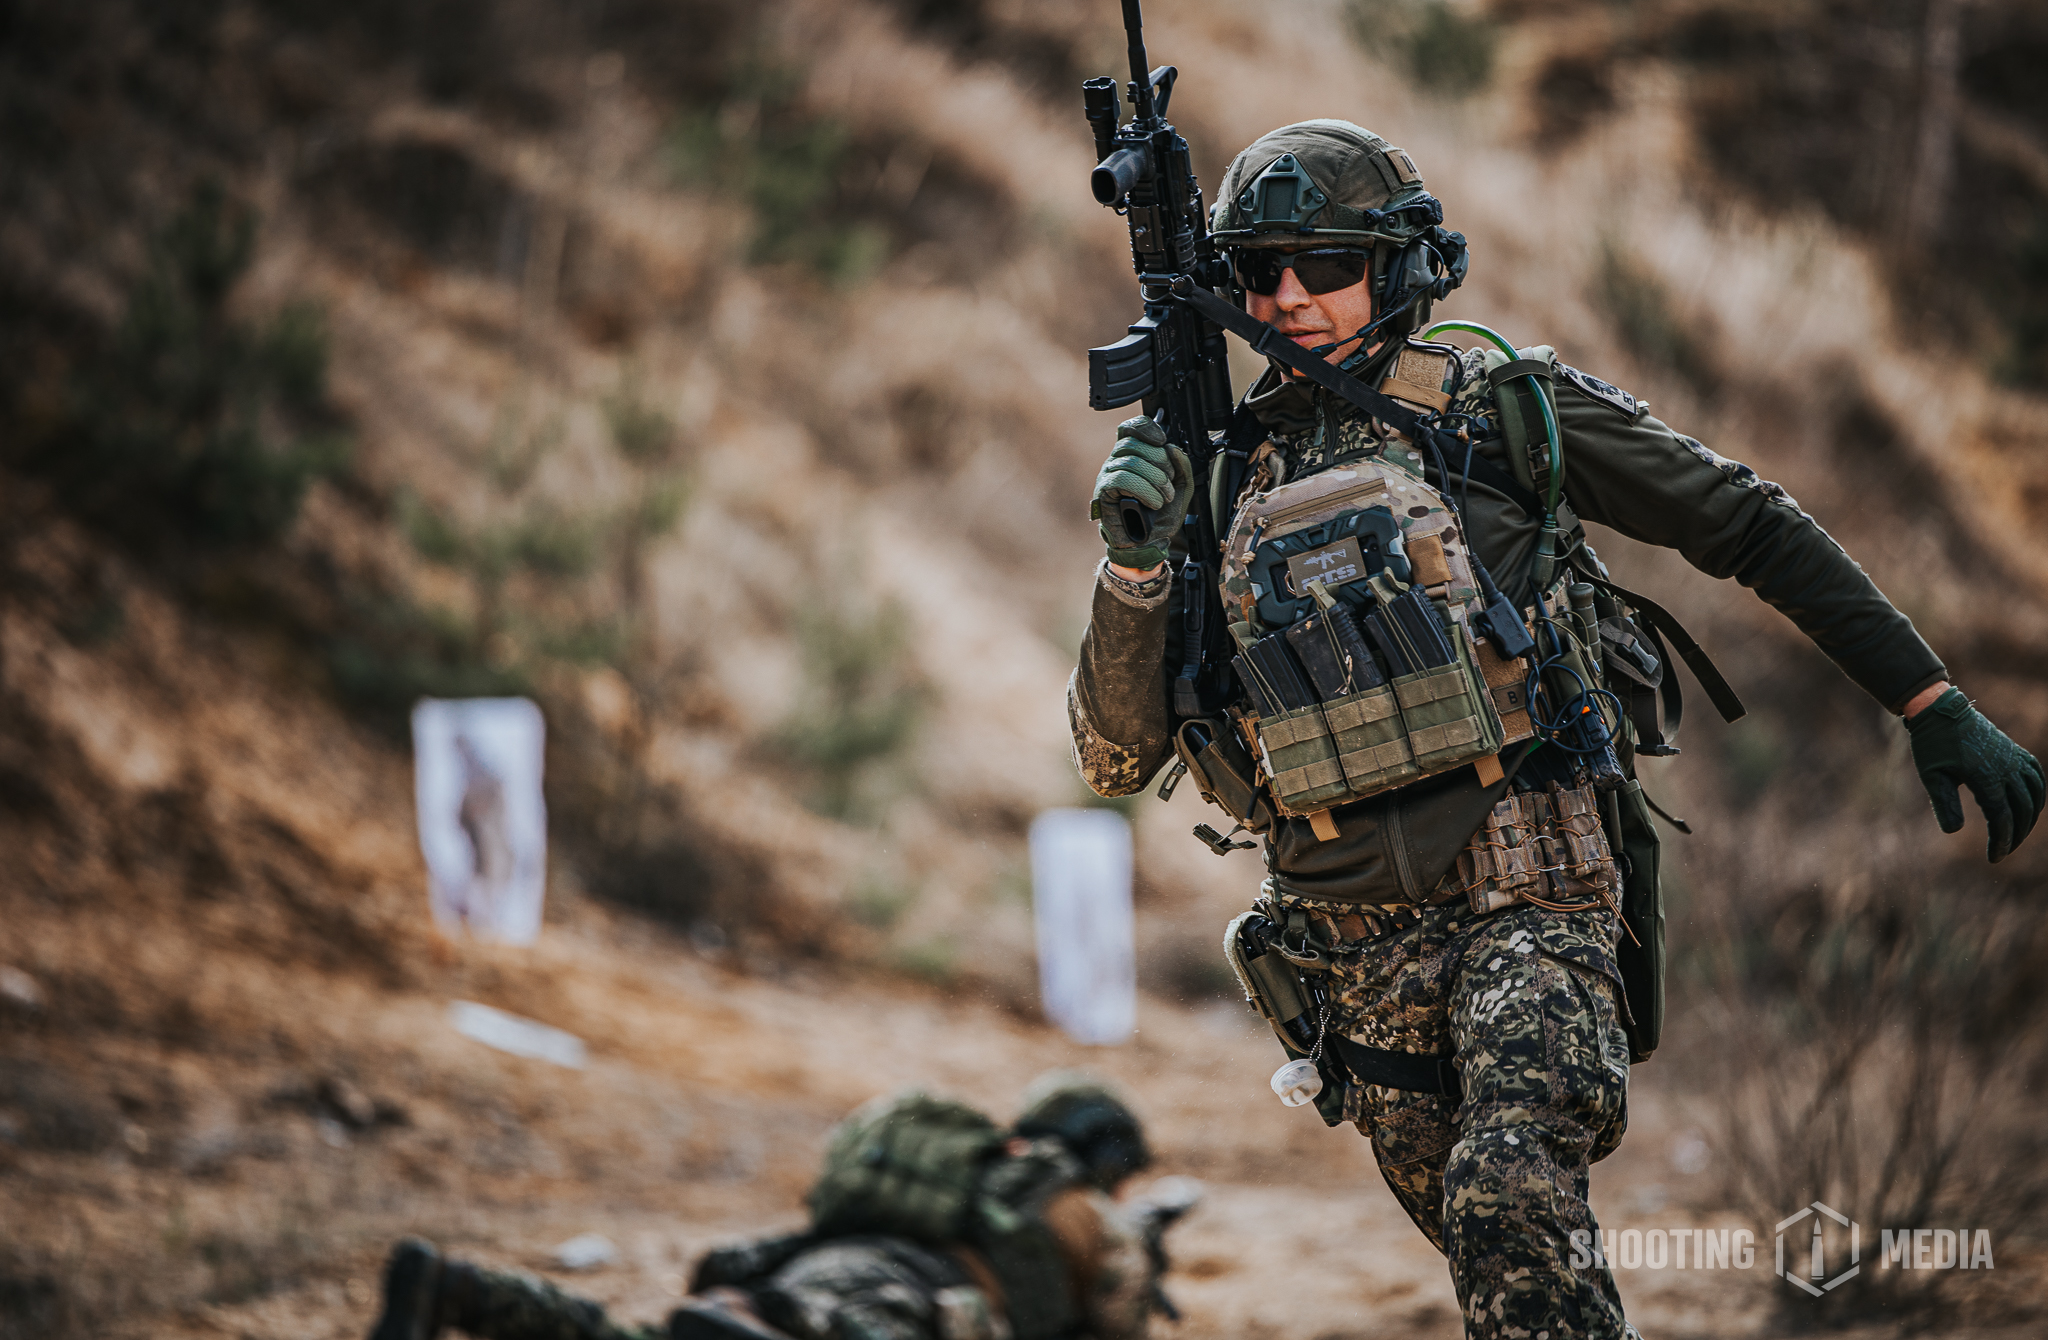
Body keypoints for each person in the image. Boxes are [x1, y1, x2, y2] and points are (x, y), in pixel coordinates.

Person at [1067, 119, 2043, 1338]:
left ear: (1399, 266)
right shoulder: (1214, 479)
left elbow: (1744, 523)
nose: (1288, 296)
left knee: (1506, 1200)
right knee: (1517, 1282)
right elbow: (1113, 756)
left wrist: (1927, 699)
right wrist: (1135, 568)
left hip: (1529, 894)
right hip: (1350, 951)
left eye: (1325, 263)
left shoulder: (1501, 411)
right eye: (1259, 269)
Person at [367, 1073, 1193, 1340]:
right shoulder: (1085, 1211)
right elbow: (1115, 1326)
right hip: (916, 1303)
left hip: (818, 1266)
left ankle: (456, 1287)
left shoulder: (962, 1165)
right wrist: (1144, 1258)